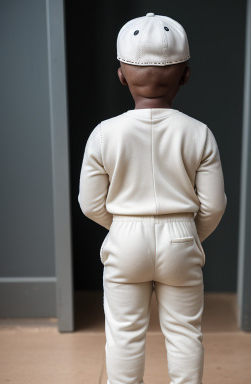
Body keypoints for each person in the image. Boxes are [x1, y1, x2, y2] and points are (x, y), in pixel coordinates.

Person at [78, 12, 227, 384]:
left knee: (124, 335)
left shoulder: (104, 134)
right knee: (184, 333)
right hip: (181, 239)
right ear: (186, 75)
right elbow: (213, 205)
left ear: (121, 75)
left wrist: (124, 227)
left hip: (125, 238)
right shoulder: (199, 134)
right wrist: (187, 234)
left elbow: (89, 202)